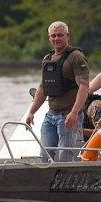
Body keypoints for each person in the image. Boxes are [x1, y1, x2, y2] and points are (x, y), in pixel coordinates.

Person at [26, 21, 89, 162]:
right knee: (45, 156)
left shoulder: (76, 57)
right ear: (49, 38)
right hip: (51, 116)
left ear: (68, 36)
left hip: (68, 116)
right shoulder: (47, 59)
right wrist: (31, 112)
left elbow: (84, 87)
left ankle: (68, 180)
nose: (56, 38)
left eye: (60, 35)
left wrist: (74, 113)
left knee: (64, 156)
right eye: (53, 36)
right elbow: (43, 88)